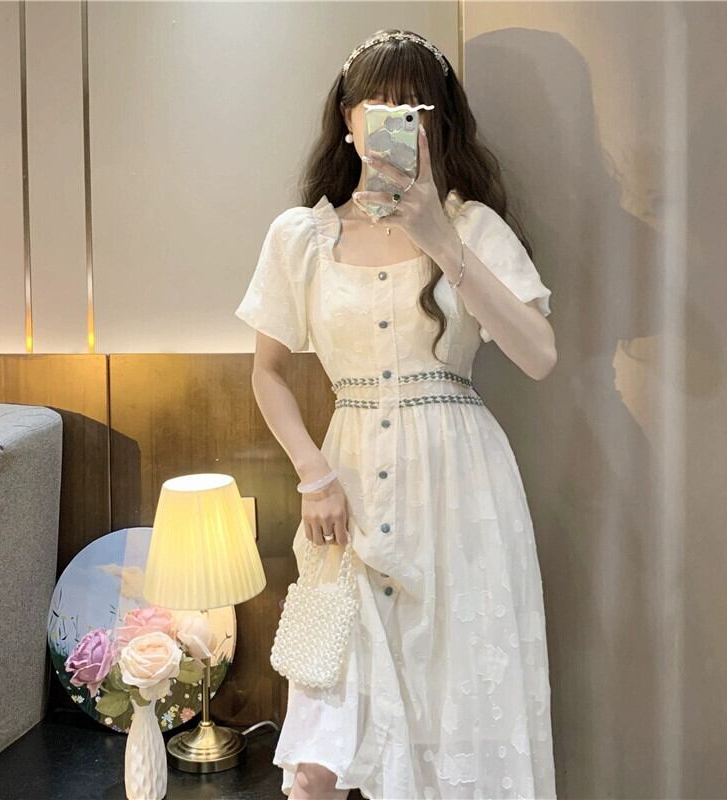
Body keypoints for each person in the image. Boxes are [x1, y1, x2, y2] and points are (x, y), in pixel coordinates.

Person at [235, 27, 557, 800]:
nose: (392, 121)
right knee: (318, 756)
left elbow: (539, 355)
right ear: (347, 119)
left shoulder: (472, 228)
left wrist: (441, 241)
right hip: (344, 496)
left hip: (460, 495)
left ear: (437, 124)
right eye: (376, 106)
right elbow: (267, 374)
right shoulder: (301, 238)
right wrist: (313, 476)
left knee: (454, 718)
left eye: (413, 107)